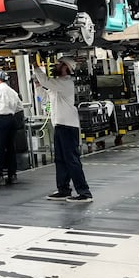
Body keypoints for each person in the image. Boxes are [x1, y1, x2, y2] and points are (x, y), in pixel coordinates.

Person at [32, 57, 92, 203]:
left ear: (67, 67)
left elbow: (46, 81)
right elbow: (46, 99)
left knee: (72, 160)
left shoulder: (66, 83)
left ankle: (84, 193)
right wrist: (38, 86)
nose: (56, 65)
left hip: (68, 127)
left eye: (59, 64)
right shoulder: (58, 86)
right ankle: (63, 190)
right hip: (59, 126)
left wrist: (35, 66)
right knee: (60, 160)